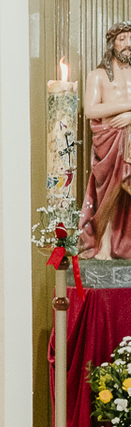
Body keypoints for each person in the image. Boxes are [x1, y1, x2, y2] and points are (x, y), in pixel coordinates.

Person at [80, 21, 131, 259]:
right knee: (108, 193)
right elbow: (91, 110)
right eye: (122, 39)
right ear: (112, 43)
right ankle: (103, 244)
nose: (128, 45)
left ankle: (125, 243)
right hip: (108, 142)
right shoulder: (98, 75)